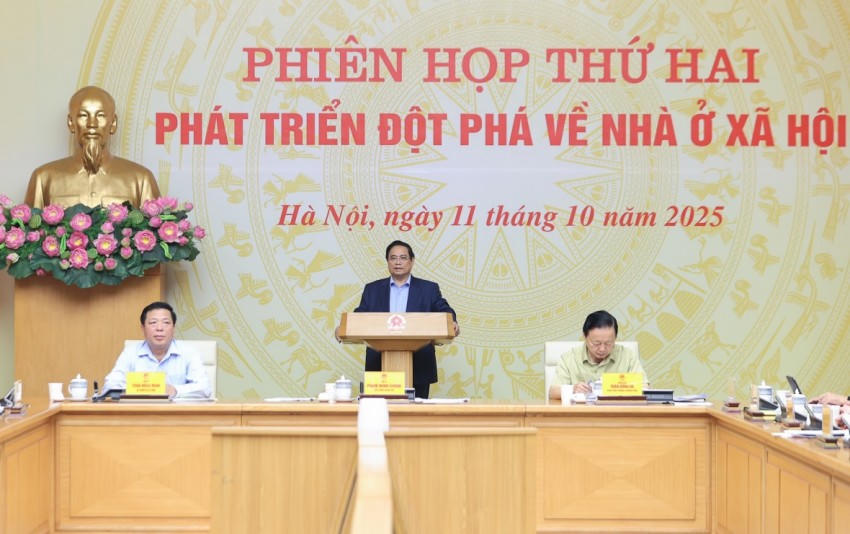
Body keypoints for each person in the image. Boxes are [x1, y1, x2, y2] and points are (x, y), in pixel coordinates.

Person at [341, 240, 459, 399]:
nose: (398, 262)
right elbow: (360, 316)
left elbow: (444, 309)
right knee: (380, 413)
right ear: (387, 261)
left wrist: (452, 322)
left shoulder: (428, 289)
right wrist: (344, 327)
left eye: (403, 258)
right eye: (393, 258)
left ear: (412, 261)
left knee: (415, 413)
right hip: (379, 365)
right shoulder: (372, 289)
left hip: (419, 366)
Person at [25, 86, 160, 208]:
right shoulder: (43, 179)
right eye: (83, 115)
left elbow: (156, 225)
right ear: (71, 123)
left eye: (100, 115)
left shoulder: (141, 180)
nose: (92, 124)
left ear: (113, 123)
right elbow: (31, 227)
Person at [103, 301, 211, 399]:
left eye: (166, 322)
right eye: (153, 322)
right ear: (143, 328)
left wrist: (174, 390)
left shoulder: (188, 352)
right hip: (140, 412)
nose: (159, 328)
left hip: (176, 413)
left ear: (173, 328)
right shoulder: (130, 352)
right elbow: (110, 386)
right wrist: (137, 389)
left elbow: (205, 388)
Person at [549, 310, 646, 400]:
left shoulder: (628, 356)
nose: (602, 349)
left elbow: (645, 387)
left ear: (615, 337)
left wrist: (618, 386)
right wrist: (573, 389)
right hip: (581, 412)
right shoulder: (569, 358)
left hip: (617, 411)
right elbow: (552, 392)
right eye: (596, 343)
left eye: (608, 343)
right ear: (584, 336)